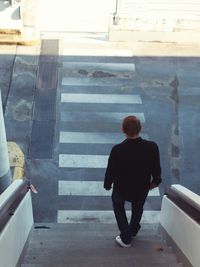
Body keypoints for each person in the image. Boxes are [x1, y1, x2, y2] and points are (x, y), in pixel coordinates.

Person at [104, 115, 162, 248]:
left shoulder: (117, 150)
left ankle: (125, 237)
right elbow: (156, 168)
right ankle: (133, 229)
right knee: (138, 207)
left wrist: (107, 185)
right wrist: (155, 182)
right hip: (141, 187)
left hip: (121, 188)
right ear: (140, 129)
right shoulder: (152, 147)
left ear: (123, 130)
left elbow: (111, 171)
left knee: (118, 206)